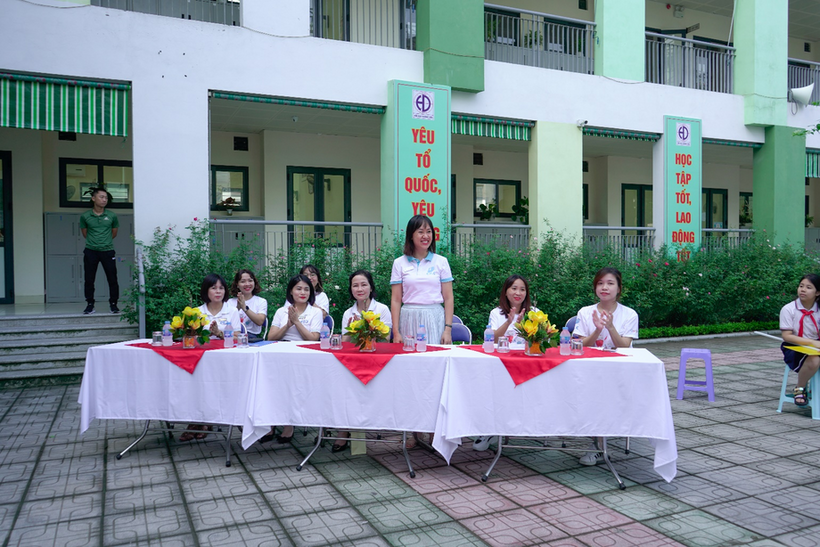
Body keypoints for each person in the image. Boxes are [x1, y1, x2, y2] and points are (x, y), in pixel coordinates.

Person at [572, 267, 639, 465]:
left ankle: (599, 447)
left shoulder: (629, 314)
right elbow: (579, 345)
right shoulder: (585, 312)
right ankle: (596, 442)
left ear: (619, 288)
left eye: (610, 283)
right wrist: (597, 330)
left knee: (603, 394)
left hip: (619, 371)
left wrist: (610, 327)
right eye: (600, 283)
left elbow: (624, 346)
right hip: (589, 369)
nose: (604, 287)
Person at [474, 275, 535, 452]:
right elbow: (491, 338)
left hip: (525, 362)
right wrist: (509, 322)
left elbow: (537, 340)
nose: (518, 293)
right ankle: (490, 430)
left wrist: (523, 325)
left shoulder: (533, 313)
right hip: (499, 362)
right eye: (514, 288)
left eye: (522, 289)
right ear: (506, 291)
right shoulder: (497, 313)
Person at [334, 270, 393, 452]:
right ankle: (344, 430)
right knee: (344, 387)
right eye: (355, 285)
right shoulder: (348, 313)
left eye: (363, 284)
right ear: (351, 289)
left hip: (377, 360)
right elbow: (345, 344)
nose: (360, 289)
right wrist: (351, 329)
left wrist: (369, 327)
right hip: (353, 361)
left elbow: (386, 339)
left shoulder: (382, 309)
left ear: (371, 287)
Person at [179, 274, 241, 442]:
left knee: (214, 385)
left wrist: (219, 333)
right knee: (196, 385)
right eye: (214, 288)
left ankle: (207, 422)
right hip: (201, 356)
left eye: (221, 288)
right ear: (206, 291)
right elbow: (188, 335)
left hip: (225, 358)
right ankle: (196, 421)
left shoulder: (232, 310)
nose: (218, 291)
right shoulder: (198, 312)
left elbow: (238, 336)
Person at [265, 274, 323, 444]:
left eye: (306, 289)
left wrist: (297, 322)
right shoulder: (281, 311)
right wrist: (287, 325)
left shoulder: (315, 312)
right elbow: (270, 337)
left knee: (290, 384)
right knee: (271, 383)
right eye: (298, 289)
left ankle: (288, 424)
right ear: (291, 291)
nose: (302, 292)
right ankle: (270, 421)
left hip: (304, 354)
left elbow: (313, 338)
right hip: (282, 352)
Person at [390, 215, 454, 347]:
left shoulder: (441, 262)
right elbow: (396, 300)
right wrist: (396, 332)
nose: (426, 236)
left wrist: (447, 329)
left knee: (435, 355)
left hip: (434, 317)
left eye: (429, 231)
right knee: (410, 355)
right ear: (411, 236)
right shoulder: (399, 263)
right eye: (420, 232)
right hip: (409, 317)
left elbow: (448, 298)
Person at [780, 274, 820, 407]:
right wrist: (812, 343)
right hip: (794, 346)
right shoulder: (788, 309)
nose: (803, 290)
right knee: (814, 359)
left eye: (808, 287)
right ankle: (800, 388)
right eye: (801, 286)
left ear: (817, 292)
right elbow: (787, 336)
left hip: (816, 344)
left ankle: (816, 389)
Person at [80, 187, 120, 314]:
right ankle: (90, 304)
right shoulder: (85, 216)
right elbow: (85, 233)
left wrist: (104, 242)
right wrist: (95, 242)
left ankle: (113, 304)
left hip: (108, 251)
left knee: (112, 278)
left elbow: (114, 233)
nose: (104, 200)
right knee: (89, 279)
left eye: (106, 198)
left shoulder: (112, 215)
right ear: (93, 198)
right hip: (90, 251)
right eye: (101, 197)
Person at [227, 269, 268, 343]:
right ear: (237, 284)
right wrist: (237, 309)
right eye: (243, 281)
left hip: (252, 337)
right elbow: (226, 323)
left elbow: (260, 321)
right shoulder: (230, 302)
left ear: (254, 282)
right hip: (232, 336)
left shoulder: (261, 301)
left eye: (250, 281)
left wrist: (244, 307)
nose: (247, 284)